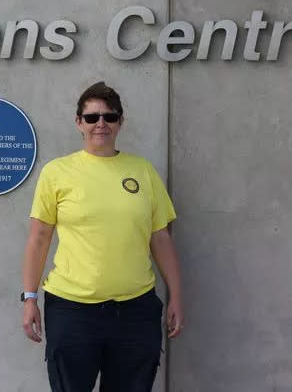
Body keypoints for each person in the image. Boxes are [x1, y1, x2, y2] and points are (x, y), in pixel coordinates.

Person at [21, 81, 183, 392]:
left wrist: (176, 294)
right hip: (72, 311)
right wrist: (29, 299)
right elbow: (38, 238)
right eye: (92, 117)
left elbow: (160, 238)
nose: (101, 124)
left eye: (109, 116)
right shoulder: (57, 173)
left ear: (121, 122)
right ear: (78, 122)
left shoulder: (143, 170)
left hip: (135, 311)